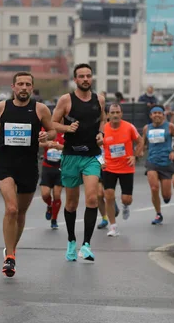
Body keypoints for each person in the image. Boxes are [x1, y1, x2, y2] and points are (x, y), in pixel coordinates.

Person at [0, 71, 55, 278]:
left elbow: (51, 131)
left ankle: (11, 250)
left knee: (21, 213)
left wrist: (45, 134)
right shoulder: (2, 107)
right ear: (13, 87)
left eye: (27, 84)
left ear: (31, 88)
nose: (24, 87)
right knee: (12, 208)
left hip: (28, 166)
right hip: (6, 164)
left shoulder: (40, 109)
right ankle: (10, 258)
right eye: (20, 84)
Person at [52, 63, 106, 263]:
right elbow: (52, 123)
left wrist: (101, 133)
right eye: (81, 76)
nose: (85, 79)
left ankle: (86, 245)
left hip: (91, 156)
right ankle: (71, 240)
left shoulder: (99, 99)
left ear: (92, 78)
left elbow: (102, 119)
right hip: (70, 156)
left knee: (92, 198)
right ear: (75, 79)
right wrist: (66, 129)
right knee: (72, 203)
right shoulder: (66, 100)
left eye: (88, 76)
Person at [102, 103, 143, 236]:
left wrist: (135, 157)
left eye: (117, 112)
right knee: (108, 195)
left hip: (126, 167)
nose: (115, 115)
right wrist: (100, 161)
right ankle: (113, 226)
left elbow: (140, 141)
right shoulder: (103, 129)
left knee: (127, 198)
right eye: (112, 113)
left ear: (121, 114)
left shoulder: (129, 127)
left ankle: (125, 206)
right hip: (109, 167)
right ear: (108, 115)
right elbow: (96, 147)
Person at [142, 105, 174, 225]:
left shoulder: (170, 126)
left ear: (163, 115)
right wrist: (138, 152)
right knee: (154, 188)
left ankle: (167, 197)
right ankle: (158, 214)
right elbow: (142, 142)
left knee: (166, 195)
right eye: (154, 113)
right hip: (152, 162)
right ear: (151, 115)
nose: (157, 115)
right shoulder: (147, 128)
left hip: (166, 163)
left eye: (159, 113)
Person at [39, 130, 65, 229]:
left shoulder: (67, 130)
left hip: (60, 167)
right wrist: (47, 143)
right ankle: (49, 205)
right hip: (47, 166)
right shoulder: (47, 129)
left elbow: (71, 147)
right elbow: (38, 142)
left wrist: (60, 147)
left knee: (57, 195)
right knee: (45, 194)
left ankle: (54, 219)